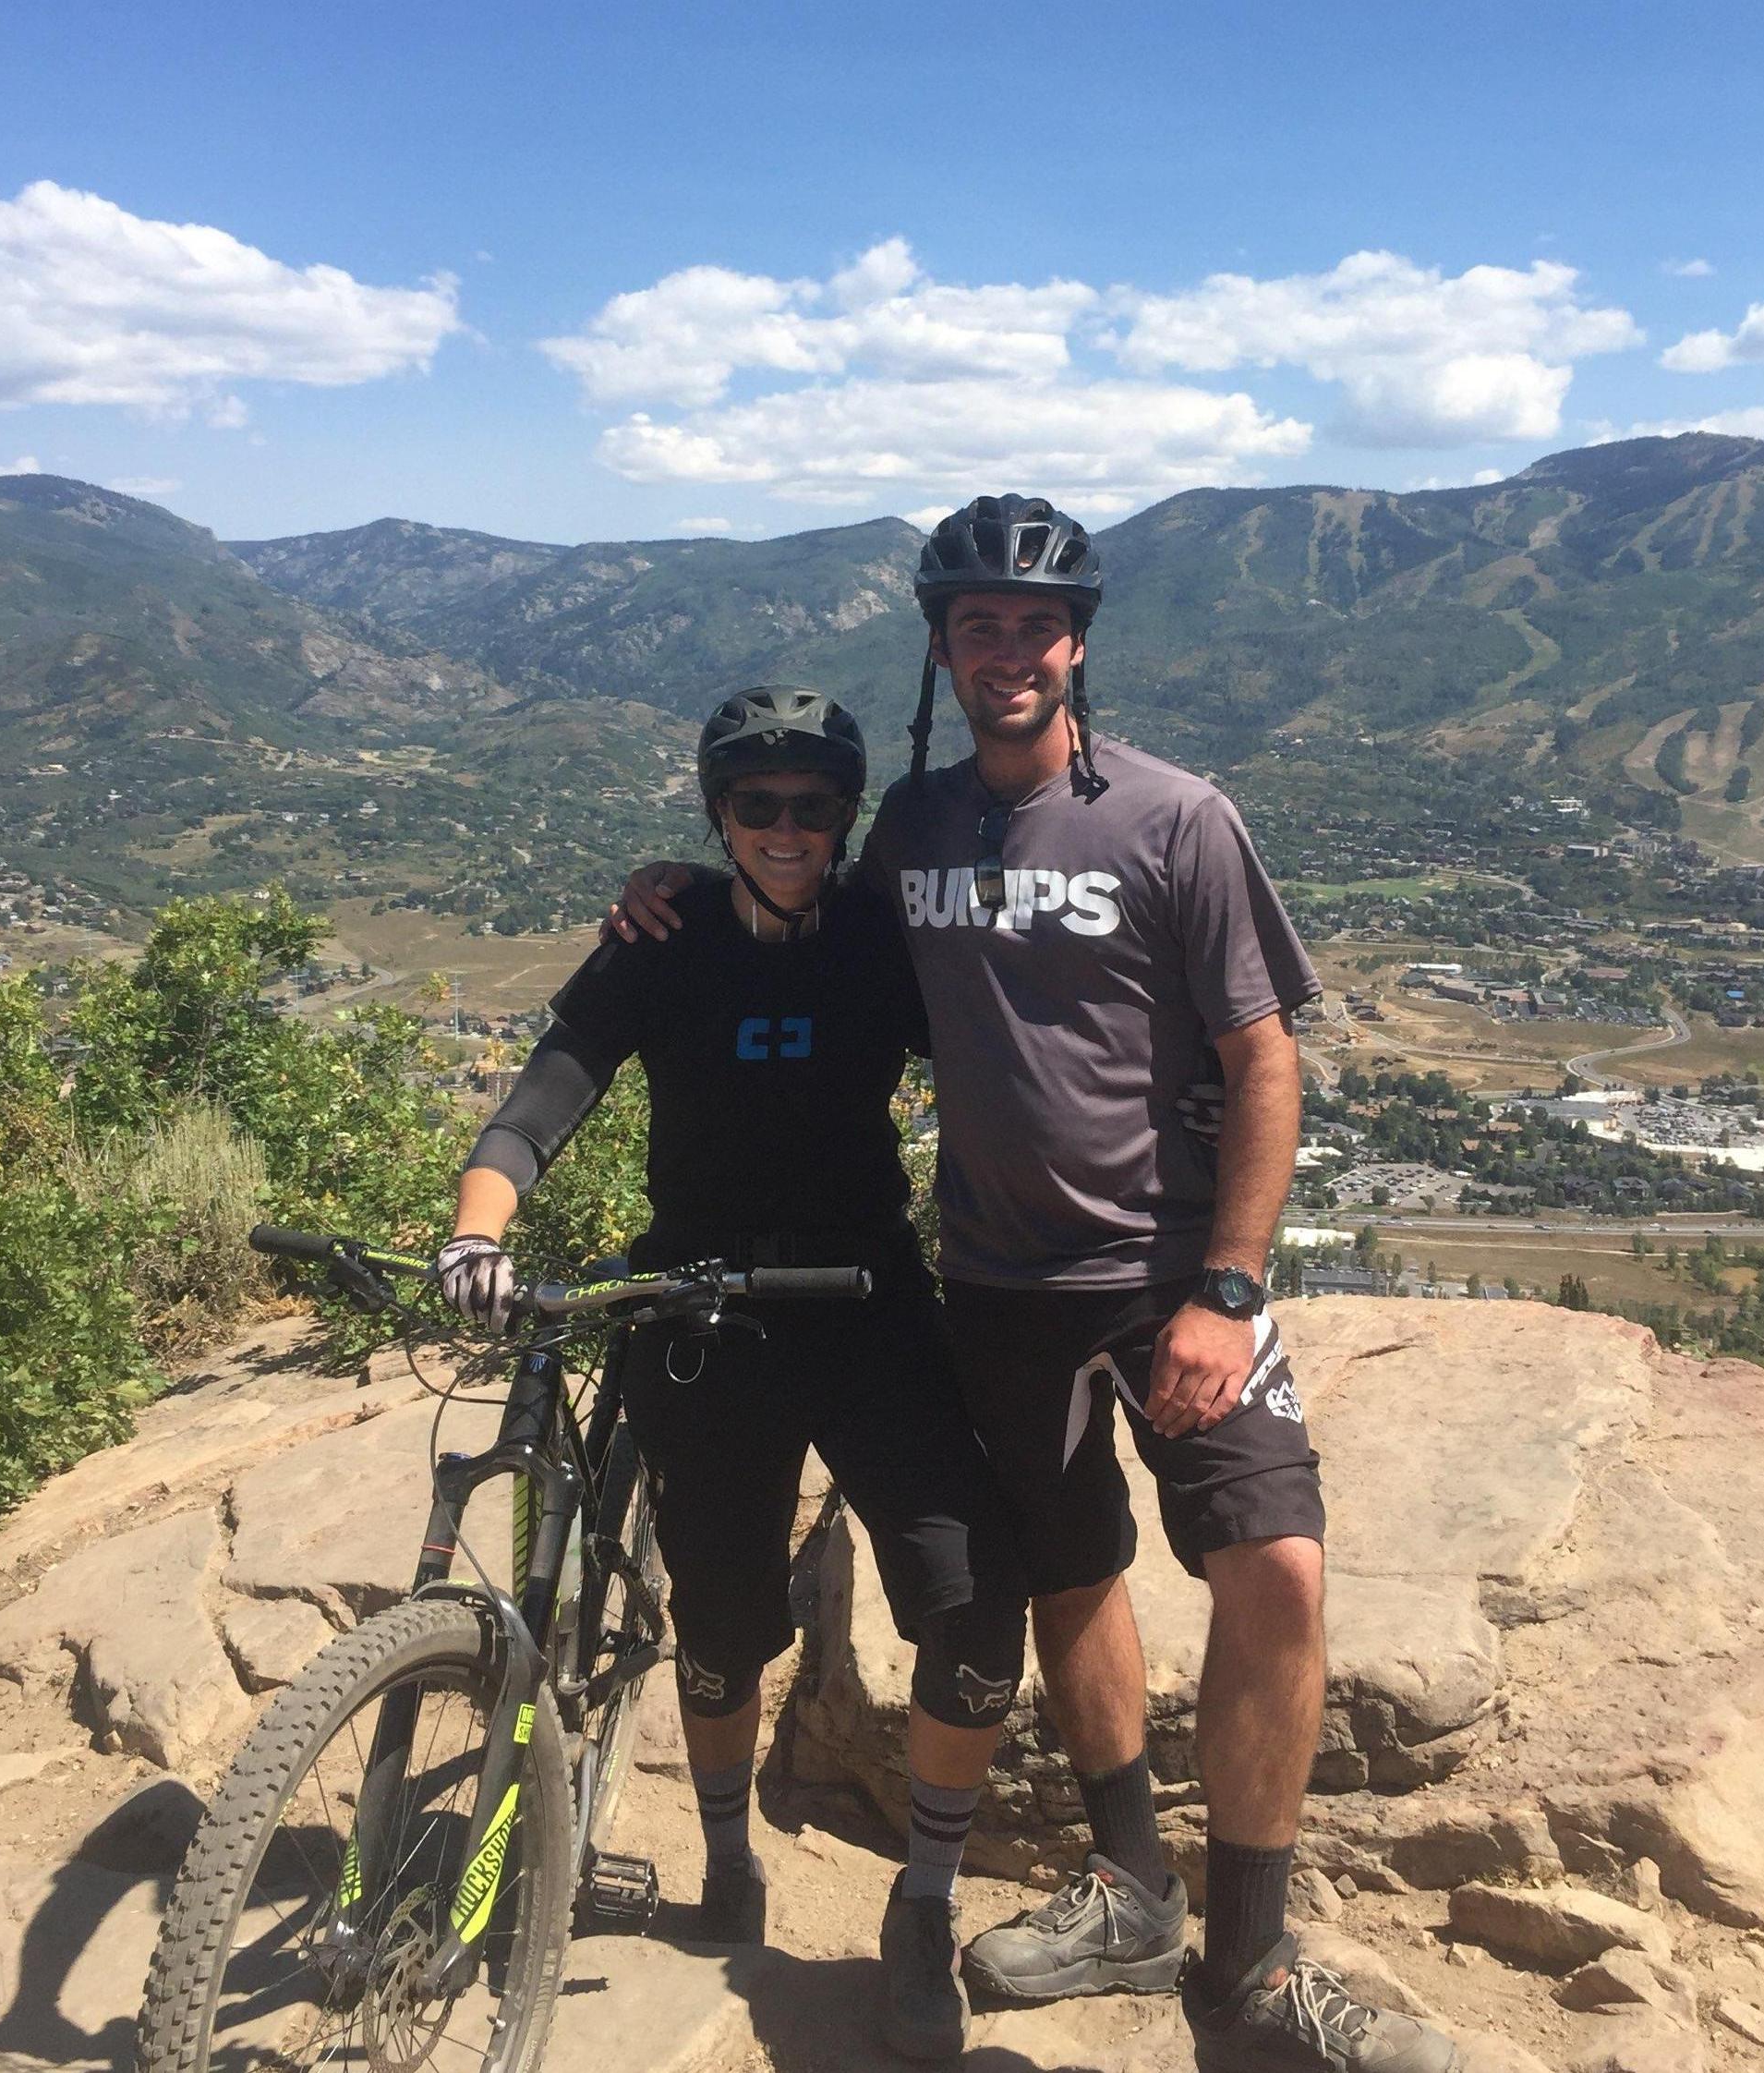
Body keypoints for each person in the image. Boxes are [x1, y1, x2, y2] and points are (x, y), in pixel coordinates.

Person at [611, 502, 1461, 2073]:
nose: (1006, 651)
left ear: (1077, 644)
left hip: (1163, 1274)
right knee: (1068, 1574)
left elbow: (1262, 1054)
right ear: (946, 645)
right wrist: (675, 879)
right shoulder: (913, 832)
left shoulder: (1177, 818)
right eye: (976, 626)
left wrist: (1227, 1282)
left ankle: (1255, 1969)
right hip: (996, 1283)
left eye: (1033, 625)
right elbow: (788, 905)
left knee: (1273, 1564)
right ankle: (1131, 1888)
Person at [441, 685, 1028, 2062]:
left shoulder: (885, 938)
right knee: (720, 1627)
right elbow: (547, 1093)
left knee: (973, 1608)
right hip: (698, 1311)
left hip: (865, 1301)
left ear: (842, 820)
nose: (785, 827)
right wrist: (478, 1229)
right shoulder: (667, 938)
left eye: (813, 806)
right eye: (755, 806)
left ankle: (925, 1906)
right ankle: (725, 1866)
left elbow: (1014, 1062)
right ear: (718, 814)